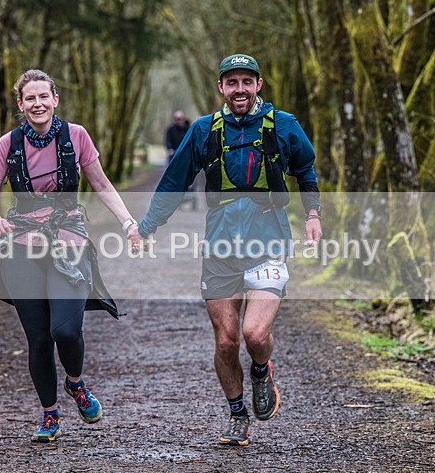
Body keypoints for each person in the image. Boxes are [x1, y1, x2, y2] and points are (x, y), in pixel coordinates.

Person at [135, 54, 322, 446]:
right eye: (231, 82)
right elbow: (175, 180)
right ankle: (238, 416)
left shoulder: (283, 125)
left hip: (268, 241)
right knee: (225, 340)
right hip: (219, 246)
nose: (239, 89)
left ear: (259, 85)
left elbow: (305, 169)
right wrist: (147, 227)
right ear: (220, 87)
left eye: (246, 81)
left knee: (255, 334)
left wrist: (313, 214)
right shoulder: (204, 130)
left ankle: (261, 370)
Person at [0, 69, 142, 443]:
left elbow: (102, 184)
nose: (37, 103)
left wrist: (128, 224)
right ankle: (49, 415)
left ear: (55, 99)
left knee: (65, 331)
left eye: (44, 96)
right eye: (30, 98)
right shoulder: (7, 145)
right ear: (21, 104)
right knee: (39, 339)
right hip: (21, 247)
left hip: (69, 242)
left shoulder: (77, 136)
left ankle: (76, 384)